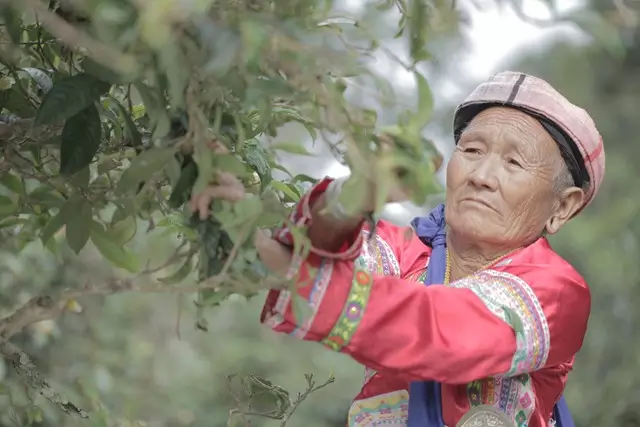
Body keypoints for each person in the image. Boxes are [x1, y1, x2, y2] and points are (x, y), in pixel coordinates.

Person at [190, 71, 605, 427]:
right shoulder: (407, 251)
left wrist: (285, 264)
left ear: (562, 207)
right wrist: (355, 194)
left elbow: (444, 333)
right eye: (472, 150)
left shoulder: (556, 293)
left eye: (514, 163)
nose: (481, 175)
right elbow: (317, 250)